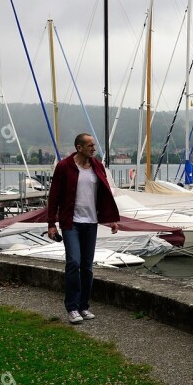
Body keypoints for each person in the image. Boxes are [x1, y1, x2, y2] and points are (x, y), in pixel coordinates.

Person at [47, 134, 120, 324]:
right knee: (73, 262)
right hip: (71, 222)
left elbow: (104, 195)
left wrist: (110, 219)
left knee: (87, 267)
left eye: (94, 145)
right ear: (79, 147)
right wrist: (51, 224)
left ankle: (83, 306)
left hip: (91, 222)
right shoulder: (64, 167)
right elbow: (54, 196)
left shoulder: (97, 166)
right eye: (90, 145)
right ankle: (72, 308)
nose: (93, 148)